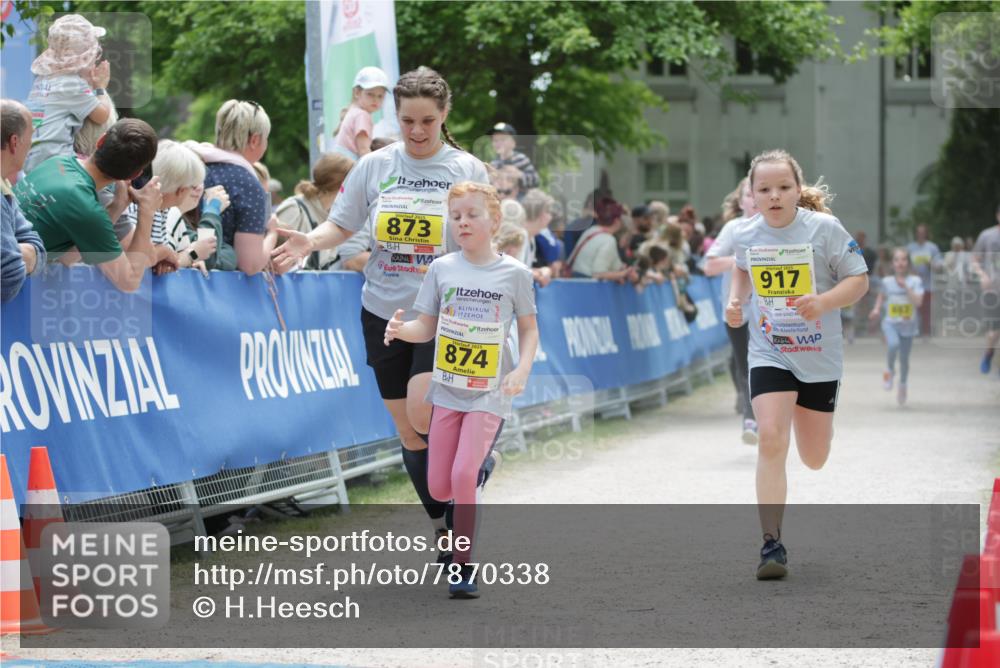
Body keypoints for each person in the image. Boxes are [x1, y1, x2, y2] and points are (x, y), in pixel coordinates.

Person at [270, 67, 490, 558]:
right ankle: (444, 526)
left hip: (445, 312)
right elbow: (340, 225)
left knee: (423, 410)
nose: (417, 131)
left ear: (444, 115)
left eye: (427, 121)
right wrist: (309, 242)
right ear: (395, 114)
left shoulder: (466, 169)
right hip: (382, 310)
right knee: (410, 433)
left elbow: (482, 241)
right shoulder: (374, 166)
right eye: (407, 120)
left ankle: (464, 499)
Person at [384, 181, 538, 598]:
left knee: (462, 475)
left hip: (490, 392)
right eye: (455, 217)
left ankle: (463, 566)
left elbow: (529, 330)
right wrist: (400, 330)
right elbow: (425, 326)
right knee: (440, 486)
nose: (463, 223)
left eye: (472, 215)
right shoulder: (442, 269)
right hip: (448, 389)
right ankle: (481, 469)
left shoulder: (515, 274)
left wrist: (522, 369)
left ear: (495, 221)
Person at [726, 149, 868, 580]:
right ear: (752, 194)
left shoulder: (824, 229)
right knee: (771, 438)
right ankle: (771, 544)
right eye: (764, 189)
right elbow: (741, 268)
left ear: (797, 189)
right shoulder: (745, 234)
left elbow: (859, 279)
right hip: (770, 350)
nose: (774, 196)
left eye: (783, 187)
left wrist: (823, 302)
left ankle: (822, 428)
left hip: (819, 355)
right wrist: (736, 301)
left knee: (814, 457)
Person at [14, 118, 161, 293]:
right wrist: (147, 211)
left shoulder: (56, 162)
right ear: (135, 175)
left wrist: (117, 206)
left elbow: (68, 257)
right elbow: (129, 282)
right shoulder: (86, 208)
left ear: (100, 140)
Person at [183, 100, 272, 274]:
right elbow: (249, 264)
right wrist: (272, 234)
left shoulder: (191, 166)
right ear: (254, 140)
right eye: (266, 138)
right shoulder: (248, 185)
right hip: (217, 282)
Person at [23, 14, 114, 174]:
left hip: (30, 159)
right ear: (84, 56)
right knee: (102, 177)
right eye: (95, 53)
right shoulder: (72, 84)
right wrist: (100, 87)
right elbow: (102, 116)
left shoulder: (42, 80)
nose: (95, 59)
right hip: (55, 161)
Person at [704, 177, 759, 444]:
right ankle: (751, 420)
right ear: (740, 202)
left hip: (773, 312)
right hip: (738, 309)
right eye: (748, 195)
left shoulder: (779, 227)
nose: (754, 200)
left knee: (768, 365)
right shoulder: (734, 228)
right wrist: (743, 260)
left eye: (758, 193)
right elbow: (709, 266)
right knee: (745, 363)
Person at [149, 139, 233, 274]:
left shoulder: (173, 215)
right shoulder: (168, 213)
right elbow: (198, 255)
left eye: (201, 181)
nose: (198, 188)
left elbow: (206, 254)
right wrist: (211, 212)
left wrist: (190, 258)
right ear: (180, 188)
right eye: (192, 183)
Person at [270, 153, 354, 271]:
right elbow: (274, 256)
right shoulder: (295, 209)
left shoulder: (333, 216)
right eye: (353, 183)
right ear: (341, 185)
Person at [1, 100, 46, 303]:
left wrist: (13, 252)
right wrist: (19, 255)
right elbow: (8, 276)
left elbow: (38, 247)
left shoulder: (4, 186)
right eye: (31, 137)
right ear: (15, 142)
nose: (31, 144)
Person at [868, 248, 924, 405]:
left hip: (908, 326)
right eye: (897, 259)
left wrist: (906, 287)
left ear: (908, 263)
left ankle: (903, 384)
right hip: (890, 323)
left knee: (904, 360)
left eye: (904, 259)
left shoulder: (915, 281)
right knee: (893, 345)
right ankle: (889, 370)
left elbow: (918, 302)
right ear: (892, 264)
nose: (900, 263)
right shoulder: (887, 281)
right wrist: (876, 309)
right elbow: (881, 296)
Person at [565, 197, 634, 283]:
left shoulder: (591, 230)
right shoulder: (608, 240)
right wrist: (623, 274)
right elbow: (598, 274)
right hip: (586, 285)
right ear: (617, 221)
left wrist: (619, 271)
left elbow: (613, 263)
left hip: (574, 281)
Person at [333, 66, 391, 160]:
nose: (375, 99)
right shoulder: (362, 115)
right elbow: (364, 151)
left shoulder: (354, 111)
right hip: (348, 164)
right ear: (357, 93)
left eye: (380, 96)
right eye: (370, 94)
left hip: (341, 162)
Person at [971, 203, 1000, 375]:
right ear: (997, 216)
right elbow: (974, 259)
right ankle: (989, 352)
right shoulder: (987, 235)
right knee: (993, 331)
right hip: (992, 290)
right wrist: (982, 275)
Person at [906, 224, 941, 337]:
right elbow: (905, 265)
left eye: (923, 232)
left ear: (926, 233)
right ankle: (913, 331)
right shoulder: (910, 248)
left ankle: (927, 333)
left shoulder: (932, 247)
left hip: (928, 285)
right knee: (914, 308)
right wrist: (911, 271)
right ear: (916, 233)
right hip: (914, 285)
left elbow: (939, 266)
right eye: (918, 232)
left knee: (927, 310)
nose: (920, 234)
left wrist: (930, 264)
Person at [488, 122, 539, 189]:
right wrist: (490, 179)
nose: (498, 143)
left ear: (513, 143)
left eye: (503, 139)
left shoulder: (521, 159)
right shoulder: (494, 164)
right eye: (495, 140)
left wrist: (519, 175)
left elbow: (535, 180)